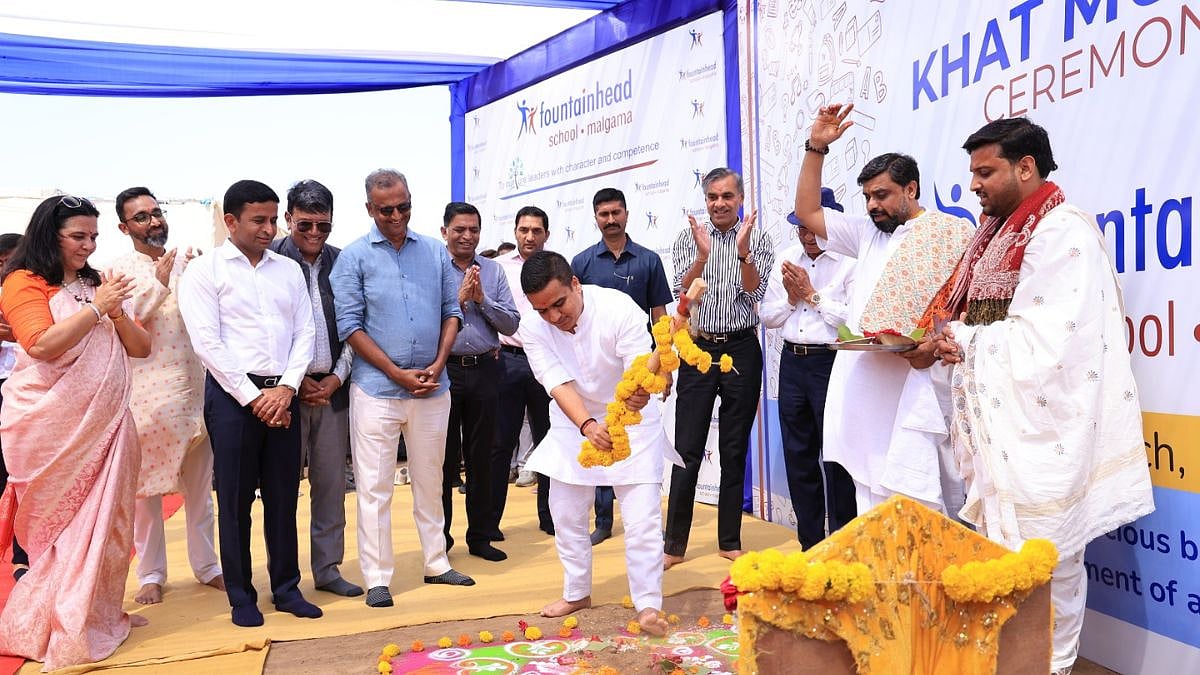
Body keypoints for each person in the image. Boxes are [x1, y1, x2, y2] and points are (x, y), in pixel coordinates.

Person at [916, 117, 1154, 675]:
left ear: (1026, 167)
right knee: (1007, 561)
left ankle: (1054, 666)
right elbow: (977, 317)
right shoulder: (995, 234)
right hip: (1005, 424)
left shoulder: (1062, 231)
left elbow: (1052, 340)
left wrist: (965, 340)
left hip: (1047, 428)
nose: (974, 185)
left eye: (985, 172)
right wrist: (946, 339)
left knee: (1052, 560)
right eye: (973, 173)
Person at [793, 103, 973, 515]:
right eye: (868, 197)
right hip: (864, 380)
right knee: (870, 493)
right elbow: (807, 212)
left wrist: (931, 345)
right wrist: (816, 148)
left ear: (911, 189)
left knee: (918, 494)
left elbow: (962, 306)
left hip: (917, 380)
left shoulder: (949, 232)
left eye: (882, 195)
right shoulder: (866, 234)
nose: (872, 205)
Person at [0, 195, 152, 669]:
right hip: (51, 429)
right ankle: (53, 622)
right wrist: (97, 310)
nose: (88, 246)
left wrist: (115, 311)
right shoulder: (24, 281)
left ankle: (97, 613)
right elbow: (41, 345)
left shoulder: (97, 282)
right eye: (78, 237)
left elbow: (141, 348)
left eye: (93, 236)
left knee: (111, 528)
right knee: (63, 533)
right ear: (51, 235)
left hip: (109, 426)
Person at [178, 180, 322, 627]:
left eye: (273, 220)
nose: (269, 229)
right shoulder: (204, 271)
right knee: (235, 500)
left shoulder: (288, 270)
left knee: (283, 497)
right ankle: (241, 596)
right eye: (258, 220)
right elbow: (207, 343)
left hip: (283, 395)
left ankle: (287, 589)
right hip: (232, 398)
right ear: (230, 221)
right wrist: (254, 397)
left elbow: (306, 332)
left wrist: (287, 388)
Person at [331, 169, 473, 610]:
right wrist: (396, 372)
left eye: (403, 206)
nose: (396, 216)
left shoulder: (433, 252)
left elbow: (452, 312)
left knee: (432, 479)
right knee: (375, 488)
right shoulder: (353, 258)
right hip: (376, 391)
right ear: (369, 209)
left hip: (433, 387)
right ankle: (377, 577)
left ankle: (436, 562)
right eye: (386, 209)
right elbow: (350, 326)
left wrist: (437, 364)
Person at [519, 251, 678, 636]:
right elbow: (556, 382)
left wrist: (637, 395)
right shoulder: (532, 327)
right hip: (572, 421)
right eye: (543, 310)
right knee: (565, 512)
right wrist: (588, 425)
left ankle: (648, 605)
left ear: (575, 284)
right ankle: (577, 592)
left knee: (642, 520)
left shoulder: (618, 308)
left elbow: (639, 369)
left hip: (633, 424)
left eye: (559, 304)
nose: (553, 317)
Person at [109, 187, 223, 607]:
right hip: (147, 401)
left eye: (156, 213)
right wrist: (157, 283)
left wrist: (198, 277)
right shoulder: (117, 272)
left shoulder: (187, 262)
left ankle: (207, 567)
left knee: (200, 491)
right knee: (146, 497)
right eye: (141, 217)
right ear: (124, 228)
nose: (154, 221)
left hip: (195, 394)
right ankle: (151, 574)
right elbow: (124, 322)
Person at [664, 168, 775, 569]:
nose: (720, 204)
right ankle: (674, 545)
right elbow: (682, 291)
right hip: (698, 347)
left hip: (742, 348)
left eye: (727, 196)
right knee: (687, 448)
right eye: (713, 197)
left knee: (734, 446)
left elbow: (756, 290)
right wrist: (701, 256)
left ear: (740, 198)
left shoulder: (757, 237)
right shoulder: (688, 238)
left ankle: (729, 540)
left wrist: (742, 253)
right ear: (706, 200)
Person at [269, 180, 362, 598]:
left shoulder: (343, 263)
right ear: (288, 218)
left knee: (331, 488)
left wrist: (336, 377)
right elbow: (264, 332)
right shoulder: (268, 262)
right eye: (304, 224)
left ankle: (327, 570)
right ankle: (284, 578)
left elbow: (356, 324)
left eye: (323, 226)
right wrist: (294, 380)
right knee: (281, 492)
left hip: (333, 392)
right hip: (283, 395)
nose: (313, 233)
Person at [571, 187, 672, 546]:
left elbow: (660, 316)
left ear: (627, 214)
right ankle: (603, 520)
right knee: (603, 437)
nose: (611, 220)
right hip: (597, 369)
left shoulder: (648, 260)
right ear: (595, 218)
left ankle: (644, 520)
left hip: (641, 367)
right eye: (604, 214)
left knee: (641, 441)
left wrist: (665, 368)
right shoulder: (582, 263)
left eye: (616, 212)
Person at [759, 191, 857, 549]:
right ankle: (811, 545)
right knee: (798, 456)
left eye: (813, 227)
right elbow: (767, 316)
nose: (806, 235)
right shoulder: (786, 259)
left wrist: (812, 295)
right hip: (792, 363)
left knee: (836, 458)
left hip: (831, 362)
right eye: (800, 227)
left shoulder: (850, 260)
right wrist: (790, 298)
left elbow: (854, 321)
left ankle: (844, 546)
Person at [439, 201, 519, 561]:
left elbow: (511, 322)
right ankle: (440, 541)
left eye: (473, 230)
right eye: (459, 229)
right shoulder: (434, 267)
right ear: (445, 232)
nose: (467, 236)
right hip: (445, 370)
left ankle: (481, 536)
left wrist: (482, 300)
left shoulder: (493, 270)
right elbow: (426, 321)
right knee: (442, 461)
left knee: (482, 456)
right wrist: (458, 302)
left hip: (486, 369)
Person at [493, 207, 554, 534]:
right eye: (524, 230)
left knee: (550, 441)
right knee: (501, 444)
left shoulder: (557, 266)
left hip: (547, 361)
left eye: (536, 231)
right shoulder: (498, 268)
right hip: (508, 361)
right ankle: (490, 524)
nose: (529, 236)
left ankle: (551, 517)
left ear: (546, 234)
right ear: (515, 232)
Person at [0, 233, 29, 581]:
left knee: (23, 475)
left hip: (26, 391)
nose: (6, 266)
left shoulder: (38, 293)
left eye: (12, 258)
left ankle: (24, 557)